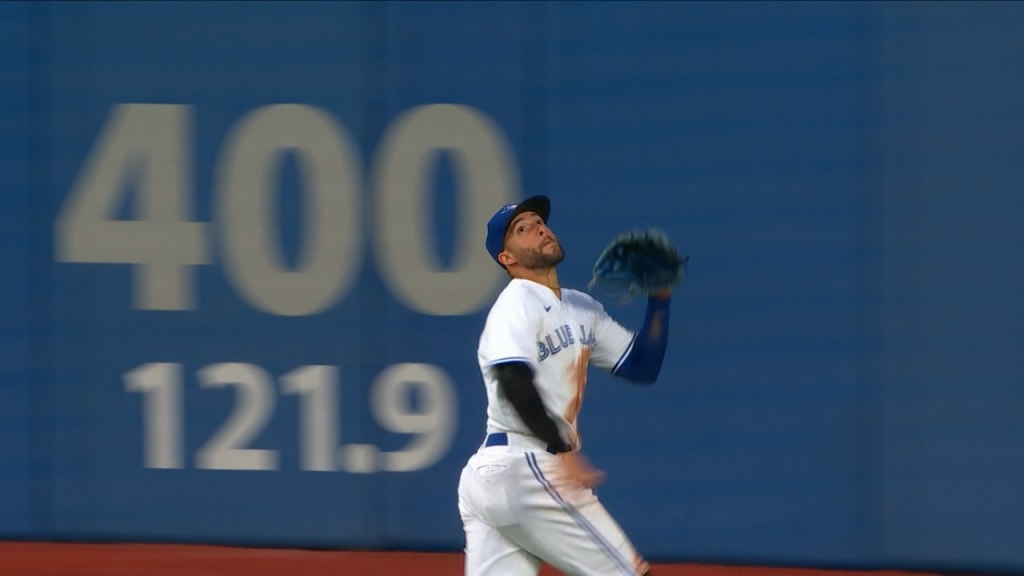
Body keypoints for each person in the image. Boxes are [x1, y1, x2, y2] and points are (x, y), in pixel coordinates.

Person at [457, 195, 673, 575]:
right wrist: (561, 448)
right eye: (522, 229)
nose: (539, 228)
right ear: (507, 259)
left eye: (539, 221)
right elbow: (513, 379)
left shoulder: (580, 307)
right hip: (527, 464)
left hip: (494, 478)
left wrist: (660, 298)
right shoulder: (517, 300)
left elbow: (642, 365)